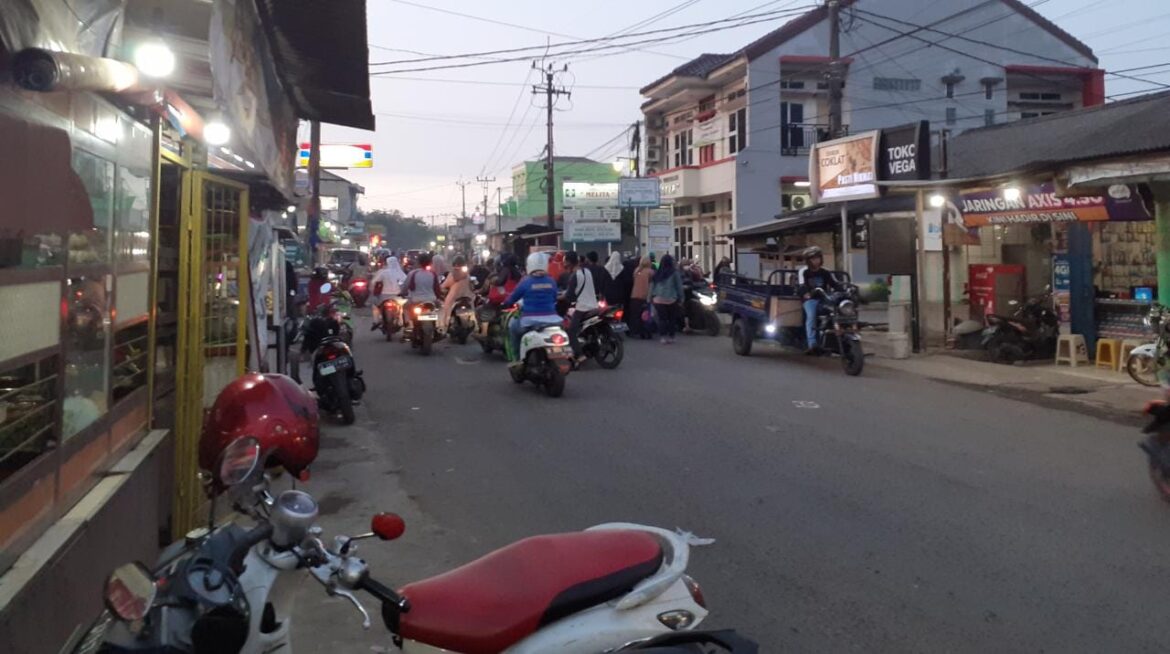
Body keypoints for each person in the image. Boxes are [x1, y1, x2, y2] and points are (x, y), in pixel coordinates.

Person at [503, 252, 562, 368]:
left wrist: (506, 303)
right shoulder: (551, 281)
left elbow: (512, 298)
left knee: (513, 327)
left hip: (530, 320)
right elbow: (555, 297)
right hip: (553, 320)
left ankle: (517, 359)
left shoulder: (525, 282)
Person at [797, 246, 843, 353]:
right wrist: (806, 293)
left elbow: (835, 284)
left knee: (837, 312)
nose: (816, 261)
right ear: (808, 261)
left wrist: (843, 290)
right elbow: (801, 285)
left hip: (824, 299)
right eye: (813, 259)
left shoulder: (825, 272)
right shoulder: (804, 271)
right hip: (810, 300)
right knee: (811, 316)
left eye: (817, 258)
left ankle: (839, 341)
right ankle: (812, 343)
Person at [562, 251, 599, 364]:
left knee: (570, 332)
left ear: (568, 262)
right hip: (594, 306)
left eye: (565, 261)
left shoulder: (574, 276)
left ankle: (580, 355)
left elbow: (569, 296)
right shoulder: (587, 271)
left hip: (582, 308)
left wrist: (557, 297)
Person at [401, 251, 442, 339]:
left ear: (418, 262)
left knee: (404, 307)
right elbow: (437, 289)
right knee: (440, 309)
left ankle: (408, 326)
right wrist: (439, 298)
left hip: (415, 300)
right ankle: (438, 327)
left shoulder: (413, 273)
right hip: (431, 300)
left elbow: (406, 287)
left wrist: (402, 293)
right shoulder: (432, 274)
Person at [650, 254, 684, 344]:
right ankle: (671, 337)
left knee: (662, 319)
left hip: (658, 299)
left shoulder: (658, 273)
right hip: (671, 299)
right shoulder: (674, 273)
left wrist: (650, 297)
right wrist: (681, 298)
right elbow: (679, 287)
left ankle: (662, 337)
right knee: (672, 319)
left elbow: (652, 286)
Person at [439, 255, 474, 333]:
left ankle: (445, 325)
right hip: (467, 296)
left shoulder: (452, 274)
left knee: (446, 308)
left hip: (454, 297)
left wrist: (440, 288)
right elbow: (472, 286)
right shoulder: (467, 274)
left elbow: (445, 285)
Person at [370, 254, 406, 327]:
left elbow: (374, 281)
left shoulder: (384, 272)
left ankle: (376, 321)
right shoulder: (401, 273)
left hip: (384, 296)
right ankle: (401, 322)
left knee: (375, 306)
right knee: (403, 307)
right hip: (398, 297)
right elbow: (405, 283)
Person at [629, 256, 654, 339]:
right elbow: (651, 285)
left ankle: (636, 331)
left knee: (636, 315)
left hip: (634, 295)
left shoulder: (636, 271)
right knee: (646, 316)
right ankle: (646, 332)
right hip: (645, 296)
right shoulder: (650, 272)